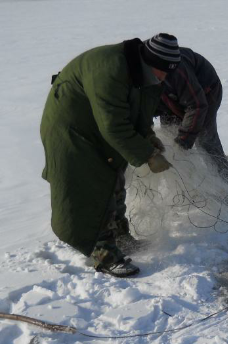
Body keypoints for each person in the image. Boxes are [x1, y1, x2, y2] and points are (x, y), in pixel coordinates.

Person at [40, 33, 180, 277]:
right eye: (162, 72)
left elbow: (137, 113)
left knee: (115, 176)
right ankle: (104, 256)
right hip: (72, 130)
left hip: (98, 125)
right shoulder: (111, 69)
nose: (163, 78)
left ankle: (120, 236)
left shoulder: (142, 72)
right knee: (95, 189)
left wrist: (148, 137)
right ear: (150, 63)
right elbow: (114, 126)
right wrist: (148, 154)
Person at [155, 46, 228, 185]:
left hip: (205, 95)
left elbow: (197, 106)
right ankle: (182, 189)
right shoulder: (141, 74)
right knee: (169, 141)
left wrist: (184, 140)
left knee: (205, 140)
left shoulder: (176, 71)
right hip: (169, 100)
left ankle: (226, 192)